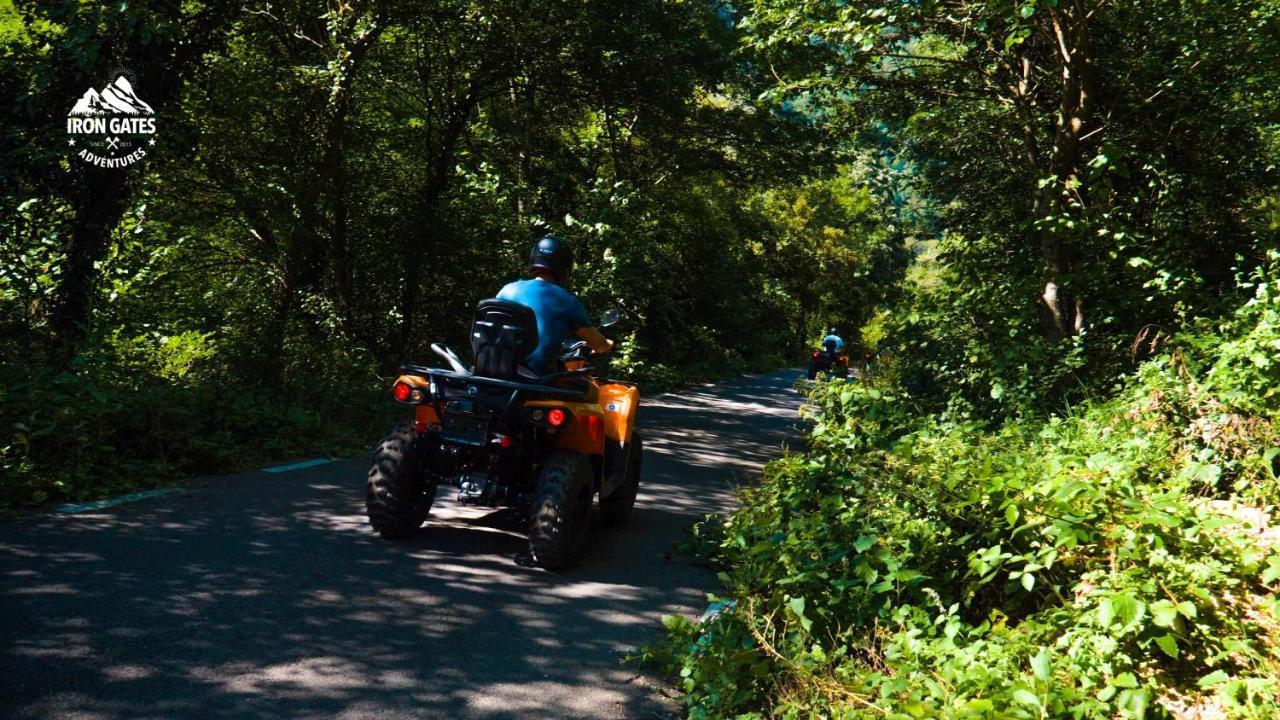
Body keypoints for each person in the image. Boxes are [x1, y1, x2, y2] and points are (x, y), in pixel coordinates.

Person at [496, 236, 613, 375]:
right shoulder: (567, 301)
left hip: (496, 372)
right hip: (535, 380)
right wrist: (607, 344)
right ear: (564, 267)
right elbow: (598, 345)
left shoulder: (507, 290)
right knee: (594, 391)